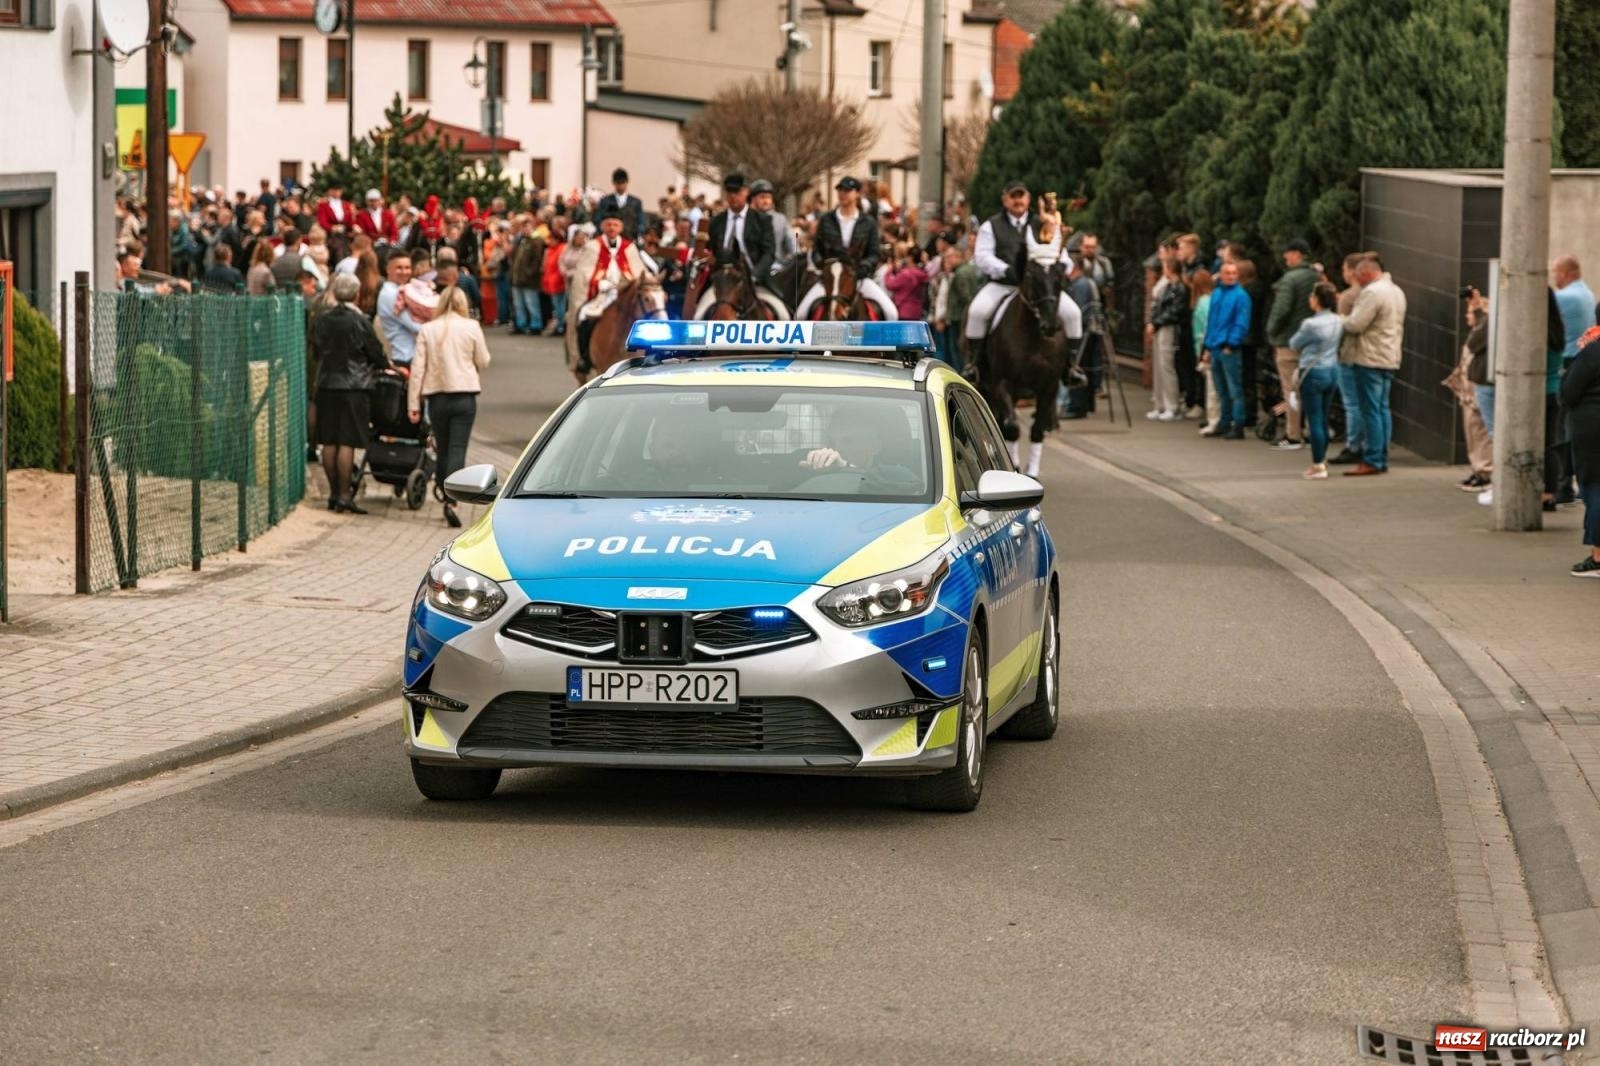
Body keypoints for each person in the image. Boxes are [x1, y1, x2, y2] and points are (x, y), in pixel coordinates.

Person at [963, 181, 1082, 366]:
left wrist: (1060, 269)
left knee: (1073, 314)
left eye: (1021, 196)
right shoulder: (991, 226)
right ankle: (974, 365)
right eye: (1013, 196)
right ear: (1005, 200)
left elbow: (1061, 253)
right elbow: (983, 256)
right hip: (1004, 285)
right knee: (977, 312)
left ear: (1028, 199)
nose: (1017, 200)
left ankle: (1072, 366)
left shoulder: (1043, 224)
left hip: (1040, 288)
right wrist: (1006, 270)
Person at [408, 286, 492, 528]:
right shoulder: (471, 327)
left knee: (443, 448)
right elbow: (483, 360)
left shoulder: (428, 329)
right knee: (458, 448)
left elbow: (418, 370)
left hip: (437, 397)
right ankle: (452, 501)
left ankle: (444, 490)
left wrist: (413, 404)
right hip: (464, 395)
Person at [310, 273, 390, 514]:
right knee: (346, 441)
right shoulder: (360, 321)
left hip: (327, 383)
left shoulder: (322, 320)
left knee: (329, 441)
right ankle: (345, 495)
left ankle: (333, 494)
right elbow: (375, 353)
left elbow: (316, 349)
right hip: (355, 386)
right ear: (356, 294)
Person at [1339, 253, 1407, 476]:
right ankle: (1381, 456)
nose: (1357, 281)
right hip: (1389, 356)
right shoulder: (1396, 291)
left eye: (1359, 277)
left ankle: (1373, 459)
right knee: (1382, 408)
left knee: (1370, 410)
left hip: (1369, 356)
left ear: (1366, 273)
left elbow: (1356, 324)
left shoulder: (1372, 293)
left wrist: (1340, 319)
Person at [794, 176, 896, 321]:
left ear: (857, 193)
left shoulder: (868, 222)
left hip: (859, 278)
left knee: (891, 313)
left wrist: (861, 269)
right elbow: (816, 250)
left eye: (847, 191)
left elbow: (874, 253)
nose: (843, 194)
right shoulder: (826, 220)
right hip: (831, 279)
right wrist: (824, 267)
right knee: (800, 314)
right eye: (840, 190)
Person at [694, 173, 785, 318]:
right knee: (699, 315)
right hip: (722, 283)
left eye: (737, 192)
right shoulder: (716, 222)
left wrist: (754, 275)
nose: (733, 196)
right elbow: (708, 251)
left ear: (746, 192)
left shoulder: (762, 221)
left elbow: (769, 253)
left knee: (782, 314)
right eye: (729, 192)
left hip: (755, 281)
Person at [574, 207, 649, 373]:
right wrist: (600, 283)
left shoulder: (629, 248)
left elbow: (639, 271)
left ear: (620, 227)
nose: (612, 228)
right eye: (608, 224)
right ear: (602, 226)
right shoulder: (593, 246)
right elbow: (585, 272)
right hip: (602, 293)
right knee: (584, 315)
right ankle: (585, 357)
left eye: (615, 225)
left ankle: (648, 355)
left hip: (625, 291)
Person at [1267, 238, 1320, 449]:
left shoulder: (1290, 279)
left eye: (1288, 253)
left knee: (1291, 390)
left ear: (1297, 254)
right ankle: (1313, 430)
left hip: (1288, 341)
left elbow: (1281, 310)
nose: (1285, 257)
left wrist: (1272, 331)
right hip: (1312, 343)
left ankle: (1293, 434)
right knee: (1311, 389)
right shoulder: (1315, 277)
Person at [1287, 282, 1344, 479]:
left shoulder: (1310, 324)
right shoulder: (1338, 320)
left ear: (1317, 300)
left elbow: (1294, 343)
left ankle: (1318, 464)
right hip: (1332, 369)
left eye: (1312, 296)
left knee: (1314, 419)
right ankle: (1322, 458)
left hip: (1313, 371)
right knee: (1323, 416)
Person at [1560, 325, 1600, 576]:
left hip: (1592, 429)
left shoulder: (1593, 352)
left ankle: (1598, 556)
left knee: (1595, 487)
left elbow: (1568, 392)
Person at [1202, 261, 1252, 439]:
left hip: (1227, 347)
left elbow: (1241, 323)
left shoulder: (1241, 296)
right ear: (1221, 275)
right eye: (1227, 273)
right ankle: (1225, 422)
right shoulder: (1217, 294)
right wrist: (1208, 347)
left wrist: (1231, 344)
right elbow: (1211, 322)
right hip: (1216, 346)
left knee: (1233, 388)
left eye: (1234, 273)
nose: (1231, 276)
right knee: (1221, 389)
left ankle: (1237, 424)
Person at [1451, 291, 1494, 493]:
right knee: (1472, 431)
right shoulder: (1480, 330)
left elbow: (1474, 343)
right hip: (1470, 388)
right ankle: (1478, 468)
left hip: (1478, 387)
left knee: (1480, 432)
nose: (1467, 316)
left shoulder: (1484, 329)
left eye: (1470, 312)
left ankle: (1485, 471)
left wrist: (1478, 310)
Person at [1329, 254, 1369, 465]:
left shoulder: (1348, 297)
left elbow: (1342, 328)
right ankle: (1368, 444)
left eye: (1345, 269)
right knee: (1369, 405)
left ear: (1352, 272)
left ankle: (1353, 445)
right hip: (1369, 356)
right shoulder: (1370, 293)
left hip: (1348, 355)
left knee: (1352, 404)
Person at [1145, 256, 1188, 420]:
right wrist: (1152, 322)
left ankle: (1171, 405)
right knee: (1158, 366)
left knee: (1166, 366)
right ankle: (1159, 404)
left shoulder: (1179, 288)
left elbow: (1175, 311)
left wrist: (1156, 322)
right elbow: (1156, 306)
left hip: (1169, 328)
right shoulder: (1167, 287)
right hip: (1160, 327)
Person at [376, 250, 420, 365]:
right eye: (399, 268)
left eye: (407, 268)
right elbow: (415, 325)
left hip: (410, 355)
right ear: (388, 269)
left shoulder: (401, 290)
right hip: (405, 357)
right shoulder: (391, 294)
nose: (404, 272)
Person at [750, 179, 798, 276]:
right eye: (762, 197)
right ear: (753, 199)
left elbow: (793, 244)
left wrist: (795, 257)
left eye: (768, 197)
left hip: (776, 267)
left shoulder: (780, 219)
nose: (766, 201)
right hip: (751, 268)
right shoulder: (747, 219)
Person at [1192, 270, 1219, 435]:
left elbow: (1203, 326)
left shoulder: (1203, 302)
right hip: (1206, 342)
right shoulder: (1211, 299)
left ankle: (1213, 418)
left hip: (1203, 343)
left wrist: (1203, 349)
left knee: (1211, 386)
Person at [508, 216, 545, 335]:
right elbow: (514, 257)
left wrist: (530, 272)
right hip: (517, 277)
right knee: (518, 304)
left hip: (529, 279)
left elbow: (537, 259)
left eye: (528, 227)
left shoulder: (537, 240)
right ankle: (521, 324)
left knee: (531, 303)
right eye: (524, 227)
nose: (525, 229)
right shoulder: (522, 240)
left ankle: (536, 325)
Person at [884, 243, 930, 323]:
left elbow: (890, 284)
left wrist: (889, 271)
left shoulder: (905, 274)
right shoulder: (922, 273)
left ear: (910, 258)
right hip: (916, 311)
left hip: (904, 310)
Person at [597, 168, 644, 241]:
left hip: (630, 238)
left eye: (623, 182)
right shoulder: (605, 201)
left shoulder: (636, 202)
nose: (621, 185)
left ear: (627, 182)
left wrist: (637, 234)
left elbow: (641, 222)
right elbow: (598, 220)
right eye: (618, 183)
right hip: (609, 237)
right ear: (614, 183)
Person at [435, 248, 481, 317]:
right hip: (464, 315)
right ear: (455, 259)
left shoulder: (430, 280)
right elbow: (476, 299)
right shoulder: (468, 279)